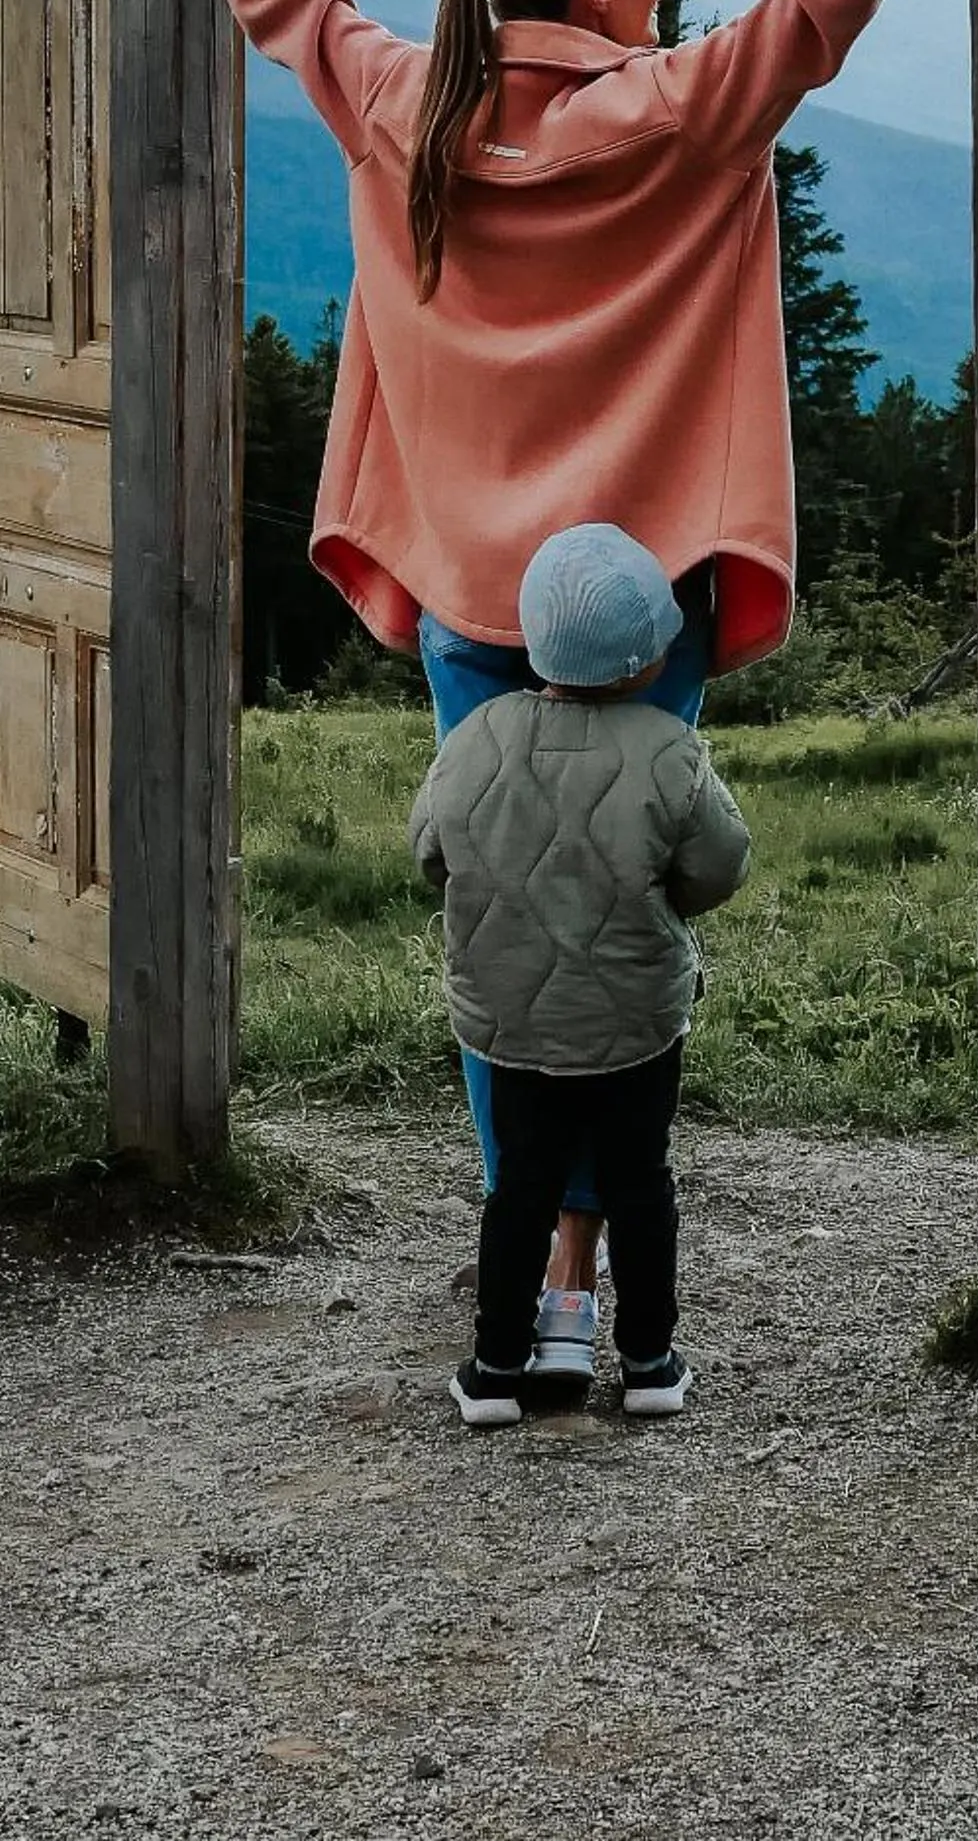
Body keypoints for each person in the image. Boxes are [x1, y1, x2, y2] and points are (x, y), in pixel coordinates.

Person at [183, 0, 968, 1361]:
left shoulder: (403, 106)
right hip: (645, 594)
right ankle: (589, 1277)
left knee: (507, 918)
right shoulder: (678, 116)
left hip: (471, 593)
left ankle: (528, 1269)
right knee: (620, 916)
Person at [411, 522, 751, 1425]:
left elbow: (429, 852)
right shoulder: (671, 754)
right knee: (641, 1183)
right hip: (635, 1022)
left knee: (519, 1186)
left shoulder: (475, 737)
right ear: (647, 658)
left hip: (510, 1022)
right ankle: (647, 1363)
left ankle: (493, 1371)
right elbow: (720, 865)